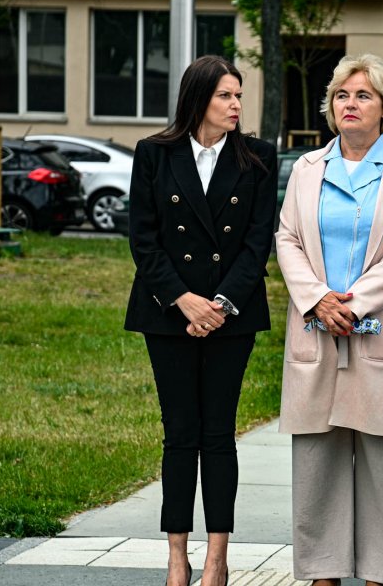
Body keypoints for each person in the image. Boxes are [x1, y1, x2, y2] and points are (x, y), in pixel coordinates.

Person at [274, 53, 383, 586]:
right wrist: (319, 299)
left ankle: (381, 575)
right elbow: (287, 239)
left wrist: (354, 303)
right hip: (317, 331)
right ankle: (323, 574)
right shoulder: (305, 169)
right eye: (342, 95)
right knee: (316, 464)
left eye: (363, 95)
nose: (350, 104)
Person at [125, 55, 277, 586]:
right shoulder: (154, 154)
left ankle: (217, 557)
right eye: (225, 96)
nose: (236, 105)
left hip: (229, 317)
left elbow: (259, 242)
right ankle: (175, 555)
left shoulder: (257, 156)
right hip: (168, 314)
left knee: (218, 434)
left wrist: (219, 304)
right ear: (198, 100)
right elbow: (143, 238)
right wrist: (183, 299)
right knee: (178, 434)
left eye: (239, 95)